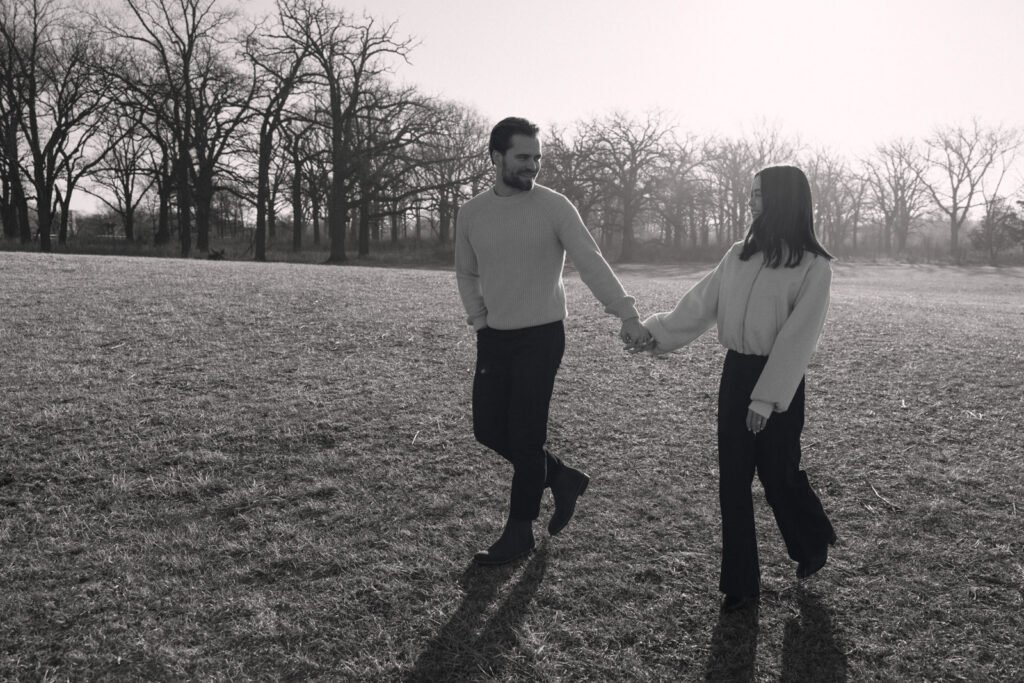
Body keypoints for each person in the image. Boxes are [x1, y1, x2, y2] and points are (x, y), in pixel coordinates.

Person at [639, 165, 837, 612]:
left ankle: (811, 543)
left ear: (784, 200)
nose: (751, 202)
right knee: (732, 482)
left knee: (777, 476)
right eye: (750, 194)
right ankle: (740, 583)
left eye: (759, 195)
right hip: (736, 375)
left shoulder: (813, 266)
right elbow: (699, 306)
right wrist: (655, 333)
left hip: (779, 382)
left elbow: (798, 338)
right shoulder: (738, 254)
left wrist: (766, 399)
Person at [455, 116, 651, 566]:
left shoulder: (554, 206)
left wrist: (626, 313)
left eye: (537, 158)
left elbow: (590, 260)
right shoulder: (471, 213)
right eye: (523, 157)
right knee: (487, 429)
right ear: (496, 157)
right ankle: (562, 477)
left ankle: (519, 533)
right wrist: (480, 319)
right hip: (494, 336)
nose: (532, 166)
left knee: (525, 438)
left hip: (542, 337)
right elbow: (466, 271)